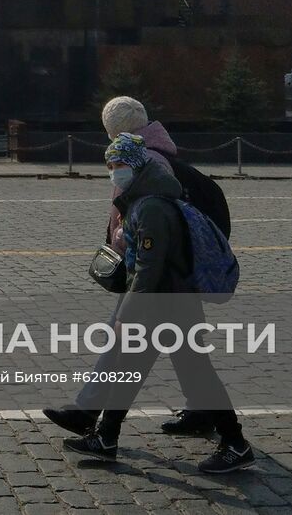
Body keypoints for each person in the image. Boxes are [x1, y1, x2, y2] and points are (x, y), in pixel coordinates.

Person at [44, 133, 254, 474]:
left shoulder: (151, 207)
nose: (115, 172)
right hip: (168, 301)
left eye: (120, 164)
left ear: (137, 166)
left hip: (169, 303)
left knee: (197, 374)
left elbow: (147, 269)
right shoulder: (147, 200)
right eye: (111, 165)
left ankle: (235, 444)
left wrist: (127, 314)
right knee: (135, 367)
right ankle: (106, 436)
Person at [100, 95, 230, 438]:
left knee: (140, 356)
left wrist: (132, 303)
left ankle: (98, 425)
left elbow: (148, 247)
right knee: (186, 358)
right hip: (170, 282)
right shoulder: (156, 168)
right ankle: (104, 429)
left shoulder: (148, 185)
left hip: (163, 284)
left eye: (115, 168)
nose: (114, 174)